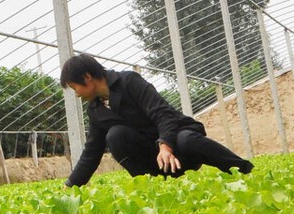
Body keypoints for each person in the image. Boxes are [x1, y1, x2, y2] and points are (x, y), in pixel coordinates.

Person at [59, 53, 253, 187]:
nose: (76, 94)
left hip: (177, 145)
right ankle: (152, 185)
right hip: (154, 160)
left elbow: (162, 113)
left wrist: (165, 146)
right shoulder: (96, 109)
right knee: (115, 135)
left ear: (87, 77)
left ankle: (245, 170)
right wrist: (70, 186)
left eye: (75, 87)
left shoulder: (129, 81)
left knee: (187, 139)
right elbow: (92, 152)